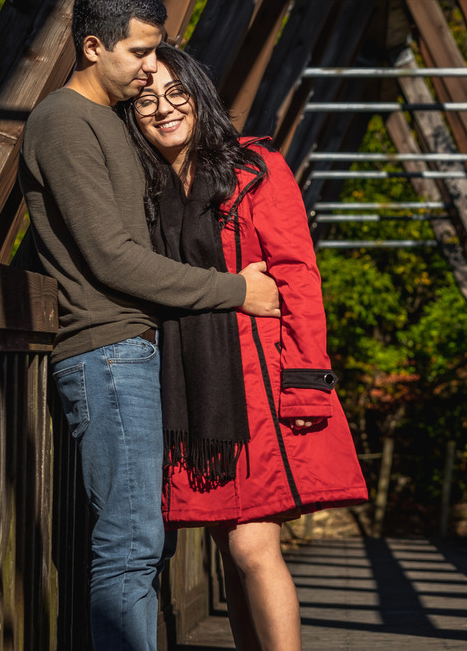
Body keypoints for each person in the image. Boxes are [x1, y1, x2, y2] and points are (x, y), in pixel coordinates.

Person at [18, 0, 281, 651]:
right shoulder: (62, 122)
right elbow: (112, 259)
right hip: (106, 353)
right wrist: (233, 290)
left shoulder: (103, 124)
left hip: (132, 351)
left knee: (141, 541)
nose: (148, 69)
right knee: (132, 542)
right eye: (138, 53)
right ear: (93, 46)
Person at [121, 43, 367, 651]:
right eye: (147, 98)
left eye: (177, 92)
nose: (164, 108)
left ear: (199, 95)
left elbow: (298, 276)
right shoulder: (143, 183)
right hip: (192, 386)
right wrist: (233, 290)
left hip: (258, 384)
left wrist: (307, 379)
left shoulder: (253, 167)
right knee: (228, 554)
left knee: (251, 545)